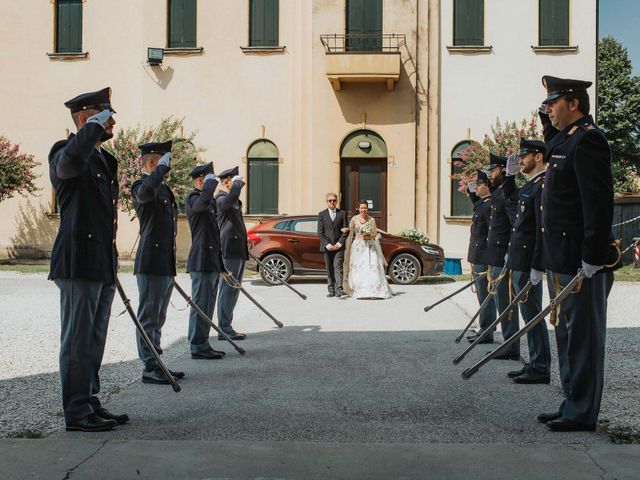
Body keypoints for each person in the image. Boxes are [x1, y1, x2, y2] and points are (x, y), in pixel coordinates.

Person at [536, 76, 617, 432]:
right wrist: (545, 120)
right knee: (567, 336)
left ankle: (582, 411)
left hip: (580, 260)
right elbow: (553, 148)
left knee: (583, 339)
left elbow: (597, 204)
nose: (548, 109)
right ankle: (571, 402)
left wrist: (592, 255)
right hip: (560, 258)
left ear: (573, 103)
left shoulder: (589, 141)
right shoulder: (565, 142)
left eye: (553, 103)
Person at [49, 87, 128, 431]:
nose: (111, 120)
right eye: (103, 115)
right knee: (77, 340)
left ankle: (90, 401)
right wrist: (89, 131)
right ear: (84, 119)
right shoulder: (65, 152)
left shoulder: (101, 159)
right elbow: (67, 168)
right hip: (78, 260)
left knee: (94, 338)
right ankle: (76, 412)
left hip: (100, 262)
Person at [131, 141, 184, 385]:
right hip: (151, 260)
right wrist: (159, 172)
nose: (168, 166)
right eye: (163, 161)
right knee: (149, 316)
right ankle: (150, 367)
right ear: (152, 162)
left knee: (159, 316)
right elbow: (144, 195)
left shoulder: (163, 190)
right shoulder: (142, 186)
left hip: (164, 260)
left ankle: (157, 362)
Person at [501, 139, 551, 384]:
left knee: (533, 314)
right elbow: (511, 200)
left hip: (529, 260)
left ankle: (541, 367)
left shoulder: (543, 184)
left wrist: (537, 264)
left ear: (539, 156)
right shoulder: (531, 185)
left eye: (524, 156)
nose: (520, 160)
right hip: (520, 259)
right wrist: (509, 177)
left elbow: (541, 228)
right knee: (527, 311)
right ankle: (534, 362)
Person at [479, 153, 520, 359]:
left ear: (503, 169)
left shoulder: (508, 194)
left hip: (504, 255)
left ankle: (511, 346)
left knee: (507, 304)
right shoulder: (498, 193)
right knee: (501, 302)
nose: (490, 174)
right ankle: (507, 342)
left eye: (493, 170)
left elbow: (516, 226)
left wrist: (508, 255)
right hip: (495, 256)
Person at [185, 162, 226, 359]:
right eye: (210, 181)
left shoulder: (208, 202)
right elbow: (200, 205)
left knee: (208, 305)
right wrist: (208, 188)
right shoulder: (194, 198)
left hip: (210, 260)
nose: (214, 185)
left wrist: (221, 264)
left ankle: (203, 342)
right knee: (200, 304)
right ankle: (196, 345)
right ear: (201, 180)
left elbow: (215, 235)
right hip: (200, 260)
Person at [215, 166, 248, 341]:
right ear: (227, 182)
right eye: (234, 183)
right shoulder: (220, 198)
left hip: (238, 249)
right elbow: (229, 201)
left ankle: (227, 325)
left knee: (234, 290)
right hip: (228, 249)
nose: (238, 187)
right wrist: (236, 187)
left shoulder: (234, 200)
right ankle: (224, 327)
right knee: (228, 290)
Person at [465, 170, 496, 344]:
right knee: (481, 295)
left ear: (487, 186)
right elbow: (477, 204)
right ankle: (485, 328)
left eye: (479, 184)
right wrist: (471, 191)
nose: (476, 187)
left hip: (483, 254)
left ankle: (487, 330)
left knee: (485, 296)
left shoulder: (489, 205)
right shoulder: (483, 204)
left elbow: (490, 232)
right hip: (477, 254)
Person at [342, 200, 392, 299]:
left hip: (369, 247)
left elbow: (374, 233)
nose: (363, 210)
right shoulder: (354, 219)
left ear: (367, 208)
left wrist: (368, 236)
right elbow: (351, 233)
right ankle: (358, 289)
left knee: (371, 266)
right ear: (358, 208)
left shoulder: (372, 220)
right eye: (361, 208)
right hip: (357, 247)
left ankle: (374, 290)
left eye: (365, 208)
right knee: (358, 267)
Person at [317, 192, 349, 298]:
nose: (332, 202)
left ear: (337, 201)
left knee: (338, 267)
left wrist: (339, 244)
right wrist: (328, 245)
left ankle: (339, 289)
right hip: (327, 247)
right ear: (326, 202)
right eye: (330, 200)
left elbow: (346, 230)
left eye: (334, 200)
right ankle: (331, 290)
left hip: (339, 246)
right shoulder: (322, 214)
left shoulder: (343, 213)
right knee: (329, 268)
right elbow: (320, 232)